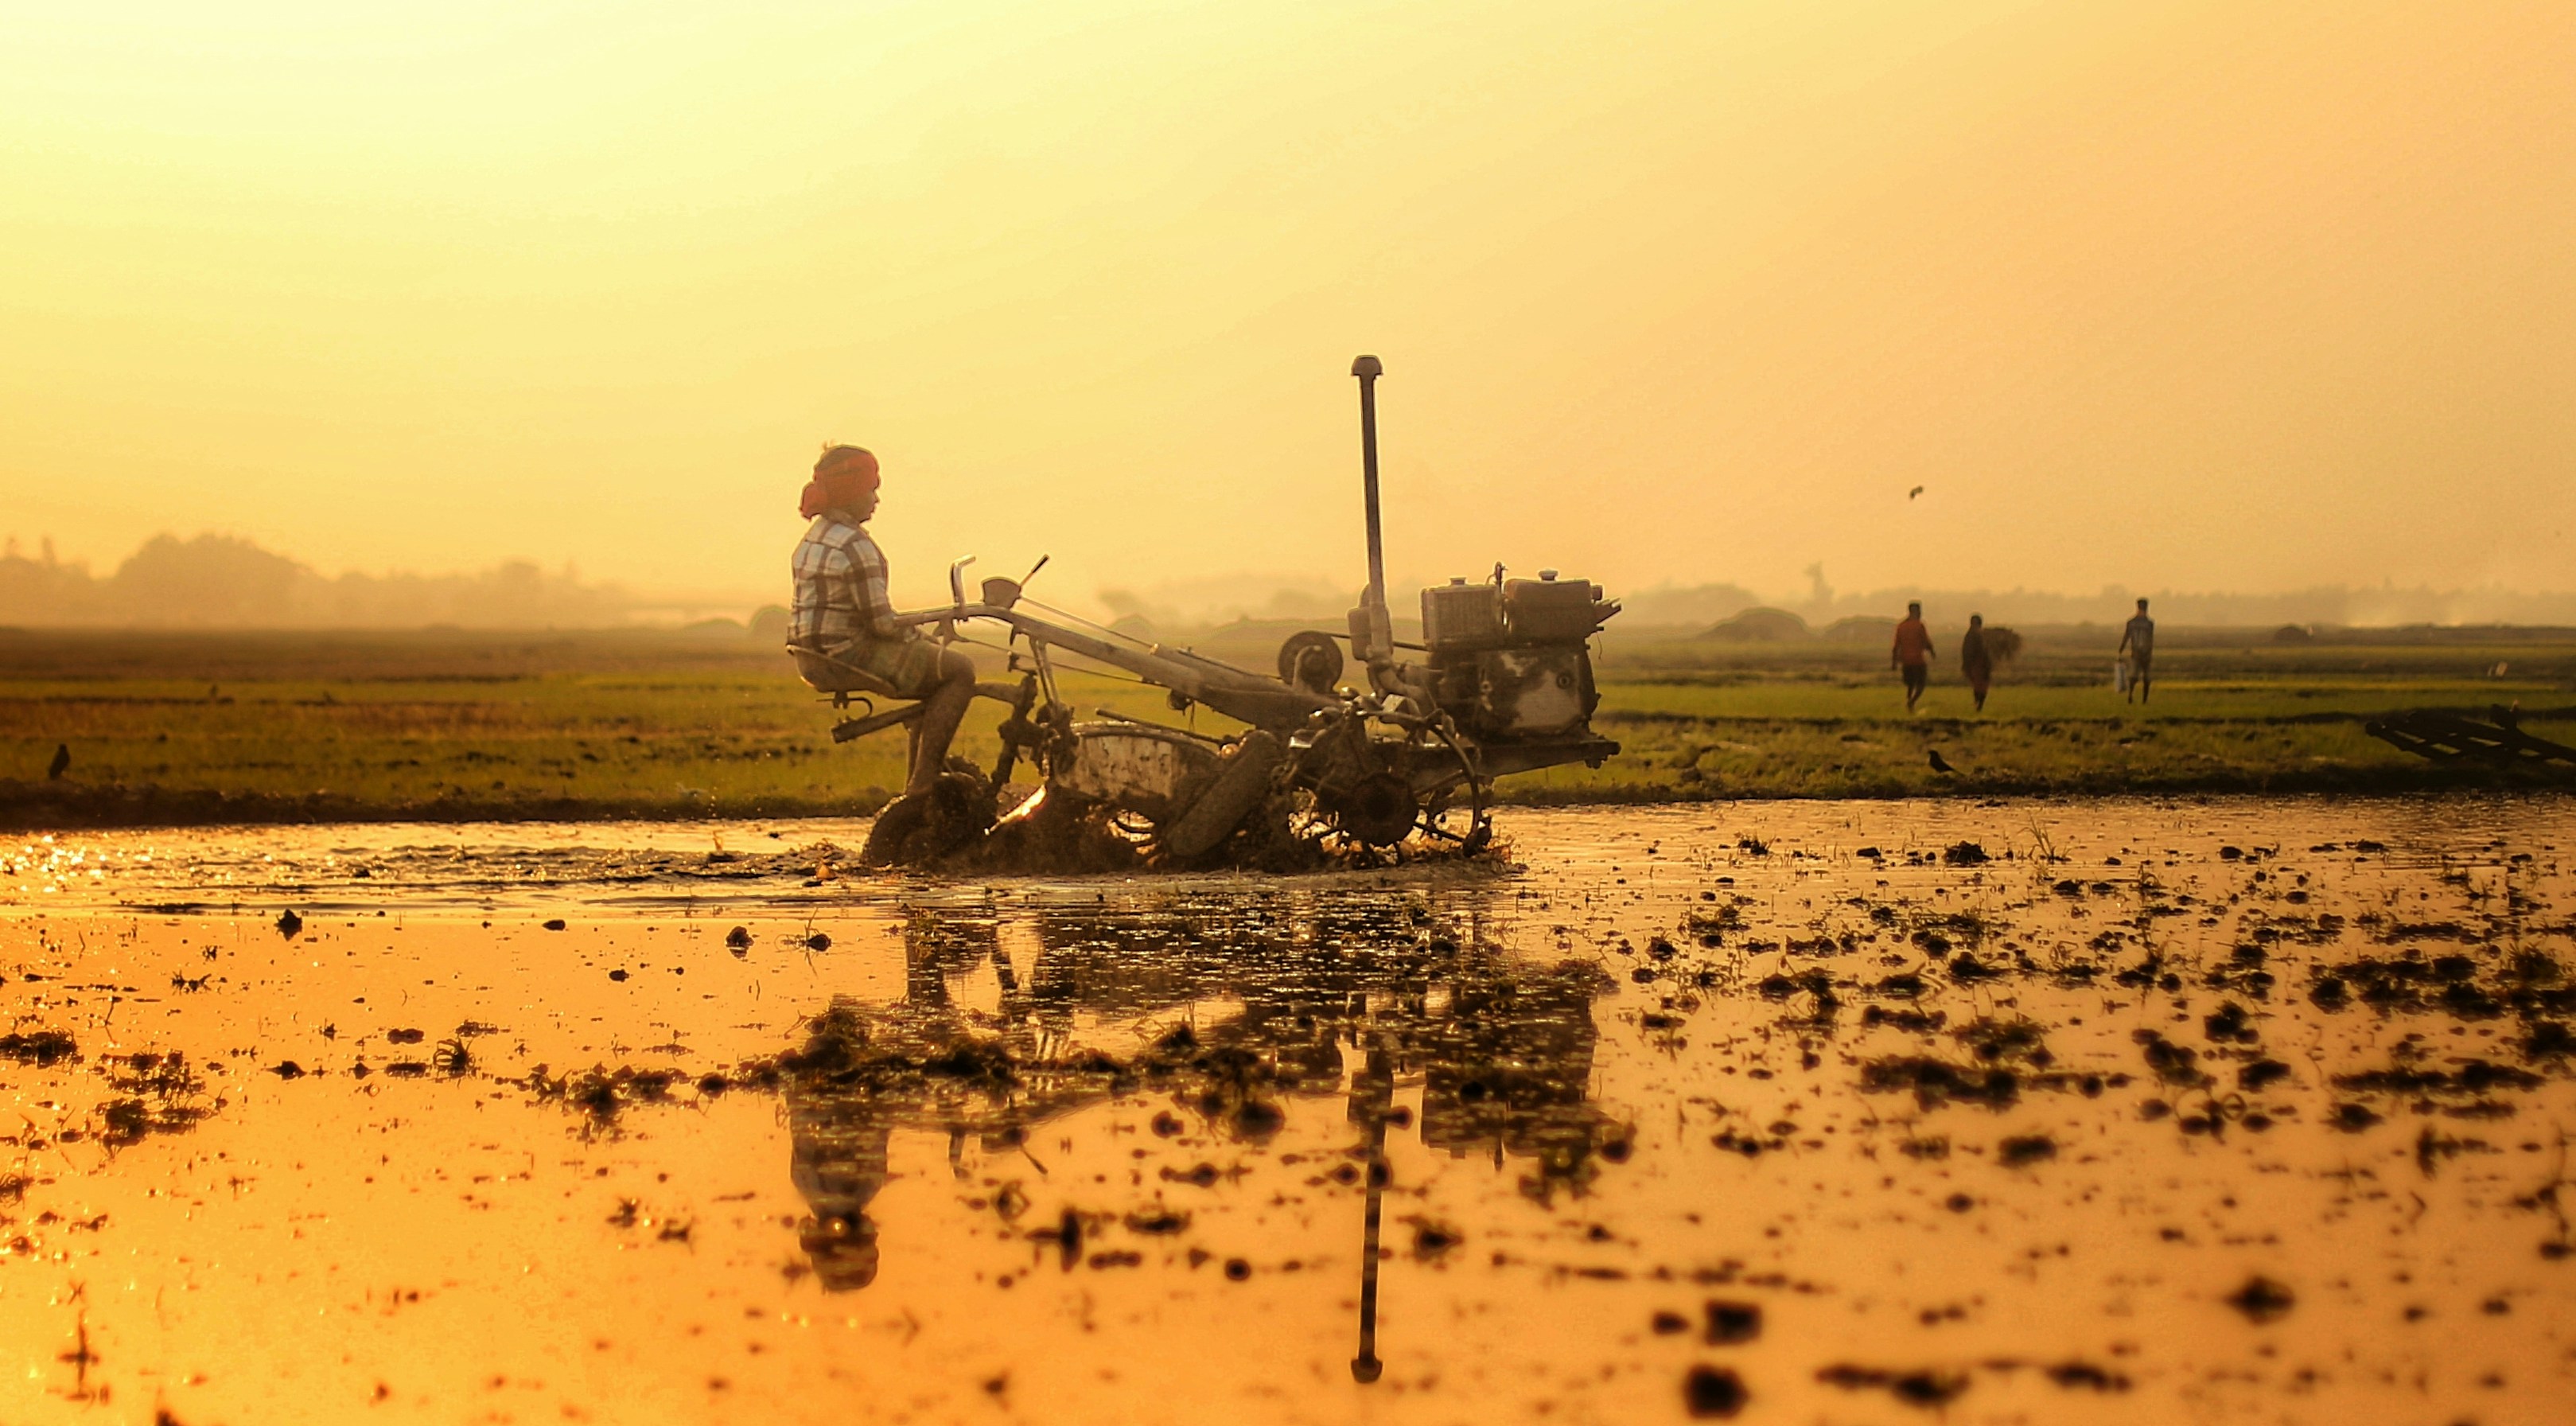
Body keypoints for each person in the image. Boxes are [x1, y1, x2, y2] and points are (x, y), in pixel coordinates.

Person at [787, 445, 977, 798]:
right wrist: (931, 622)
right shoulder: (855, 547)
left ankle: (919, 780)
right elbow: (882, 625)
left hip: (813, 657)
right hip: (847, 654)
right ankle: (922, 785)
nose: (876, 500)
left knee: (933, 666)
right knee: (959, 671)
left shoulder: (813, 539)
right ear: (851, 493)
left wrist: (921, 639)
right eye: (871, 490)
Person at [1891, 601, 1934, 712]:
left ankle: (1909, 701)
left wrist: (1894, 662)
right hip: (1918, 660)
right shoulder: (1919, 625)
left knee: (1910, 684)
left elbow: (1896, 646)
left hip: (1906, 661)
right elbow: (1926, 641)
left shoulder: (1901, 626)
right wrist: (1932, 651)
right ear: (1916, 611)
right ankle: (1912, 702)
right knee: (1921, 684)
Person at [2117, 598, 2155, 704]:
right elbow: (2127, 636)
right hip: (2137, 654)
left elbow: (2150, 639)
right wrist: (2121, 649)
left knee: (2146, 678)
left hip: (2144, 654)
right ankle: (2132, 697)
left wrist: (2121, 649)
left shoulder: (2146, 623)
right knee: (2135, 677)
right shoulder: (2139, 623)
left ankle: (2143, 700)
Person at [1961, 614, 1993, 713]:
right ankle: (1979, 705)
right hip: (1980, 663)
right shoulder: (1979, 635)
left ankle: (1978, 704)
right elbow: (1984, 651)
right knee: (1982, 685)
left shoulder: (1969, 635)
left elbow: (1965, 651)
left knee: (1977, 685)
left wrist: (1966, 663)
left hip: (1974, 664)